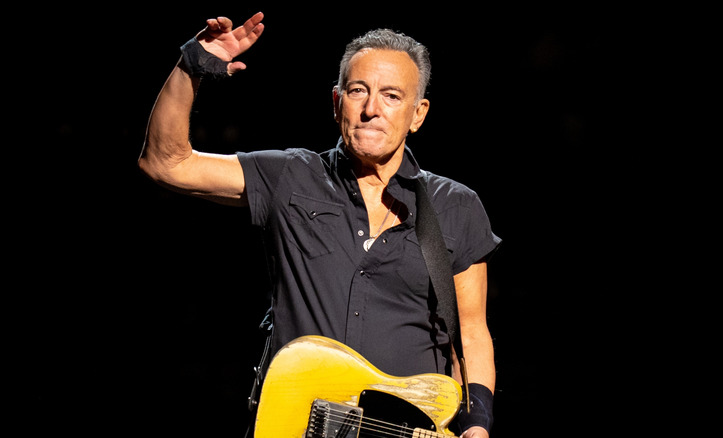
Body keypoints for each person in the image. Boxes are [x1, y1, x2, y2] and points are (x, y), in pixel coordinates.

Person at [138, 11, 501, 438]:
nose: (371, 109)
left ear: (418, 114)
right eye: (358, 90)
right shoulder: (290, 177)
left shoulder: (456, 206)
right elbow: (166, 163)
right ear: (335, 102)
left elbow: (472, 330)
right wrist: (191, 67)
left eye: (391, 96)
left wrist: (478, 424)